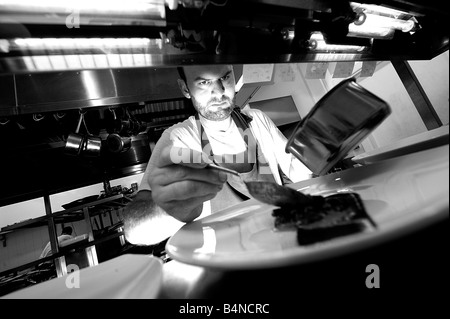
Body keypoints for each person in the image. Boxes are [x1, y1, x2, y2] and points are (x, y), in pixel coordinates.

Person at [123, 64, 311, 246]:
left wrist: (321, 152)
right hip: (228, 268)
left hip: (285, 247)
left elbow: (302, 175)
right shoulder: (180, 139)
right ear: (185, 89)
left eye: (225, 77)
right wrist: (175, 208)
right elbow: (135, 231)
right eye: (204, 83)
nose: (219, 92)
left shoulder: (257, 121)